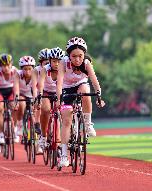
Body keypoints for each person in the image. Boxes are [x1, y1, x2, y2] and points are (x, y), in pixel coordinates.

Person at [56, 37, 105, 167]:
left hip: (80, 85)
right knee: (66, 121)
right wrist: (58, 98)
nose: (77, 59)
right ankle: (64, 155)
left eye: (80, 56)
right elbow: (59, 82)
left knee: (85, 92)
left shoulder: (87, 63)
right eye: (74, 56)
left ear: (84, 55)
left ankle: (88, 123)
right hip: (66, 89)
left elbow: (94, 80)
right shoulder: (63, 63)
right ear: (69, 56)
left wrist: (99, 96)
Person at [35, 47, 65, 150]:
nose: (56, 64)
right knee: (46, 109)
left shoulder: (64, 69)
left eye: (59, 61)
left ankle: (61, 140)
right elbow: (40, 84)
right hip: (46, 92)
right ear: (50, 61)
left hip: (59, 92)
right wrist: (39, 95)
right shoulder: (45, 69)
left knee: (65, 112)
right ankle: (43, 136)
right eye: (54, 61)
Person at [0, 53, 19, 153]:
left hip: (11, 90)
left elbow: (16, 87)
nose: (6, 68)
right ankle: (0, 136)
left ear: (11, 64)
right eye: (3, 66)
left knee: (15, 106)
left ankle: (14, 128)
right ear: (0, 66)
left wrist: (16, 99)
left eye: (8, 65)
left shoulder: (15, 71)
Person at [13, 56, 36, 146]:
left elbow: (35, 88)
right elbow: (16, 87)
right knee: (21, 103)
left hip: (32, 94)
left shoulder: (36, 74)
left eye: (30, 69)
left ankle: (32, 135)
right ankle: (19, 125)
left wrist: (35, 100)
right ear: (21, 69)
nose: (27, 71)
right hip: (21, 94)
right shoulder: (18, 74)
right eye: (25, 69)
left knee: (34, 113)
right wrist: (16, 100)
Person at [32, 48, 50, 135]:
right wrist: (36, 97)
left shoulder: (56, 67)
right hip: (41, 89)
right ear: (40, 63)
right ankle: (37, 122)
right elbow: (35, 86)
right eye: (46, 63)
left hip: (53, 90)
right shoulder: (37, 70)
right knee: (39, 102)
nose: (48, 65)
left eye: (50, 62)